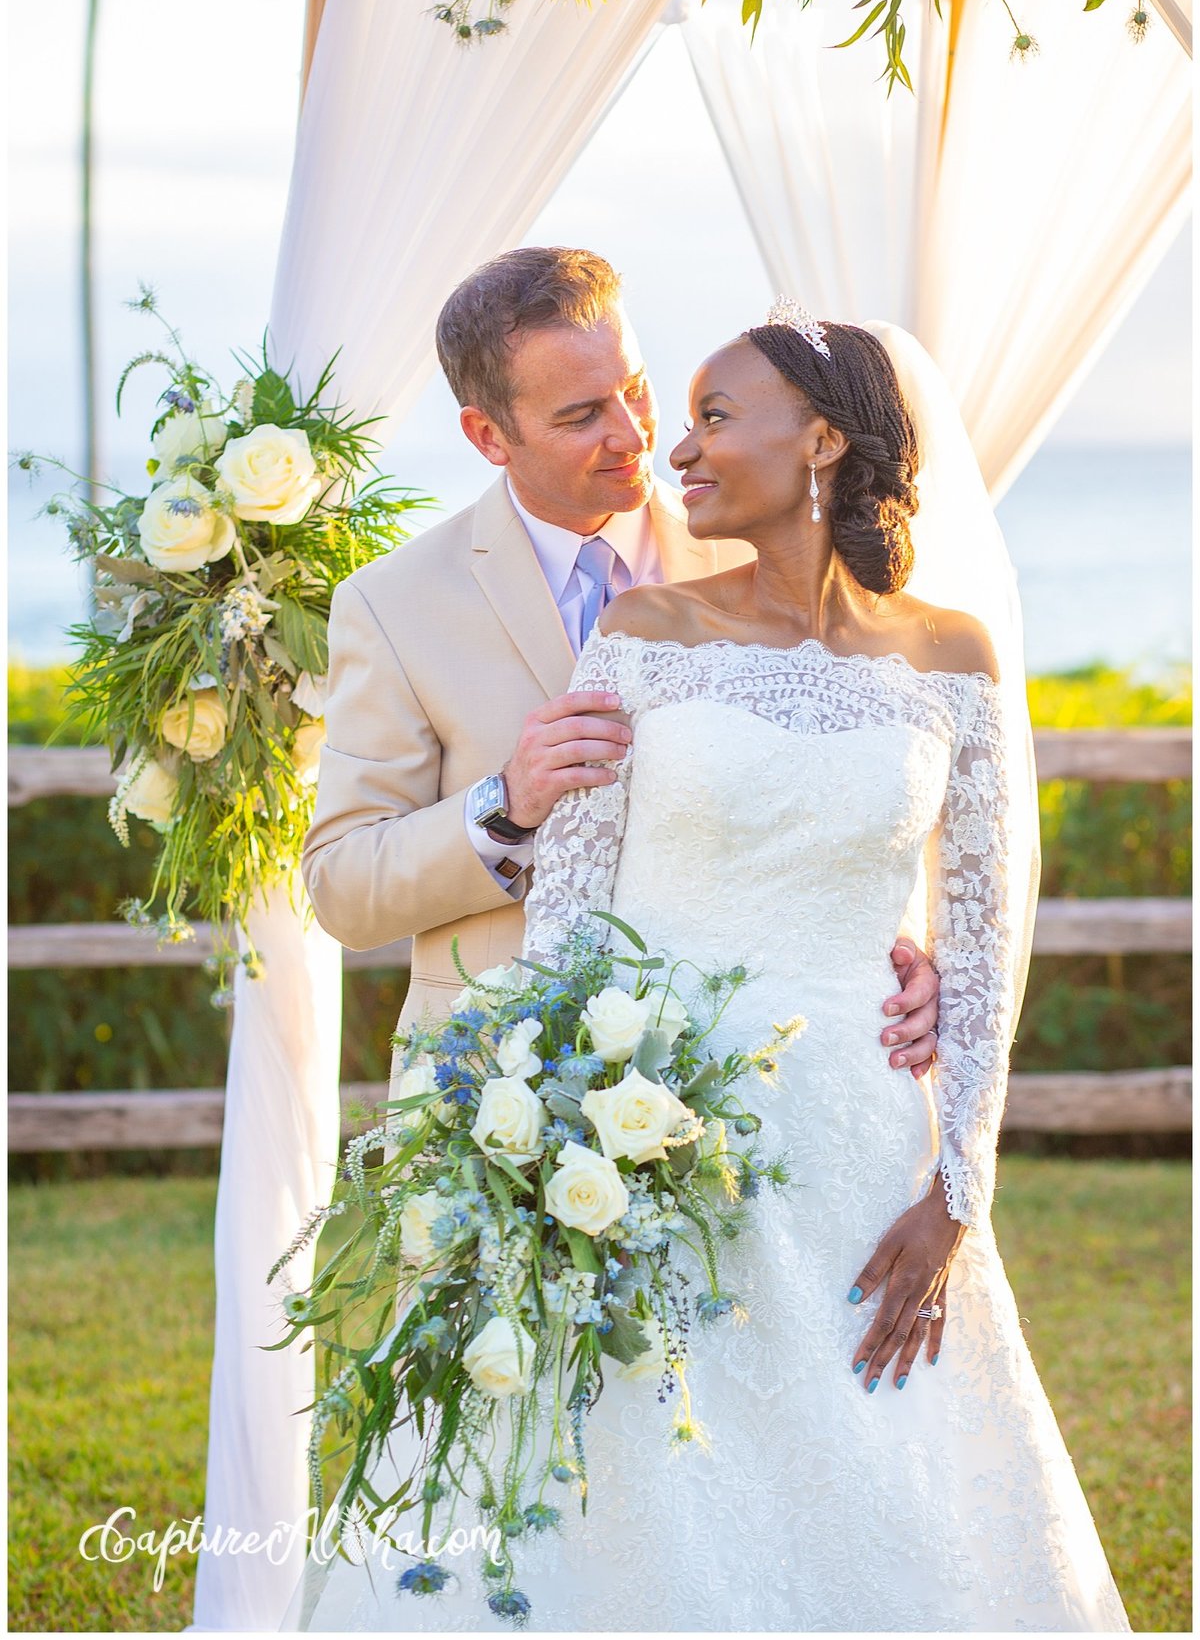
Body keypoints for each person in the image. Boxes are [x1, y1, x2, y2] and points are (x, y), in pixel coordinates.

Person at [286, 307, 1130, 1632]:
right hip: (636, 1140)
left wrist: (959, 1185)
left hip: (860, 1142)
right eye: (615, 413)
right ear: (491, 432)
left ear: (826, 443)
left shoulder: (953, 653)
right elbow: (564, 917)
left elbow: (982, 933)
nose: (668, 445)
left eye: (703, 414)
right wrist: (548, 1152)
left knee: (877, 1486)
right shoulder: (644, 630)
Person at [302, 248, 942, 1079]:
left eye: (635, 388)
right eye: (582, 415)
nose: (636, 434)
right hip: (494, 1099)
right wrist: (508, 804)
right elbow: (343, 887)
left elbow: (866, 791)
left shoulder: (773, 559)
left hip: (737, 1084)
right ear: (489, 435)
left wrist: (904, 952)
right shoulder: (392, 605)